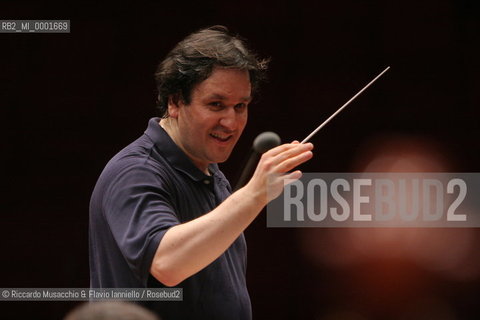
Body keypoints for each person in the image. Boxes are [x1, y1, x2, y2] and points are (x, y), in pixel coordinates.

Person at [89, 25, 314, 320]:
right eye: (216, 104)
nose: (231, 123)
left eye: (241, 106)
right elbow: (168, 263)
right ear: (175, 101)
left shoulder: (210, 174)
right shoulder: (135, 171)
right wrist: (253, 195)